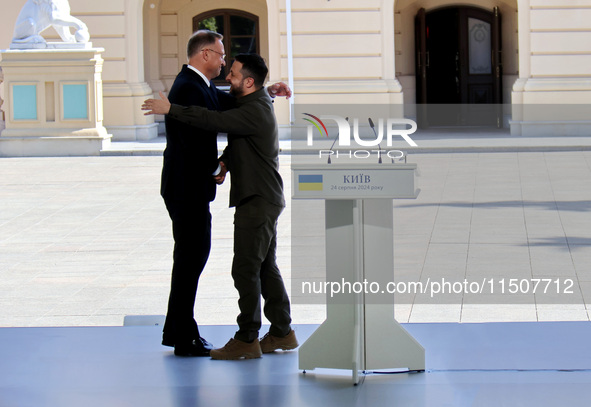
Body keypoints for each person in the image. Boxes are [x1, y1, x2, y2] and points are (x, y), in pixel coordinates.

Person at [143, 53, 298, 360]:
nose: (228, 76)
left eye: (235, 74)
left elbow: (213, 119)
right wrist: (226, 161)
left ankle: (246, 338)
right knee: (265, 267)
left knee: (245, 269)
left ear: (249, 82)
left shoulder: (253, 109)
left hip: (257, 200)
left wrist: (171, 109)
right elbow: (241, 138)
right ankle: (282, 332)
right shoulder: (255, 103)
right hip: (263, 197)